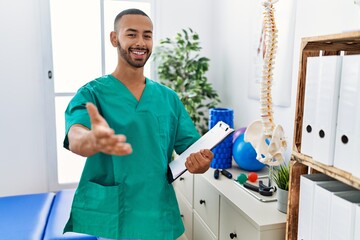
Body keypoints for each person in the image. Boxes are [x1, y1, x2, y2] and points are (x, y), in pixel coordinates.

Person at [63, 8, 213, 240]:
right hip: (116, 217)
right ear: (115, 39)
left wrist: (201, 163)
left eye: (147, 35)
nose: (141, 42)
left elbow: (192, 152)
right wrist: (91, 139)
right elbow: (76, 137)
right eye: (131, 34)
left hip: (159, 213)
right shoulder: (92, 93)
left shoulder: (168, 98)